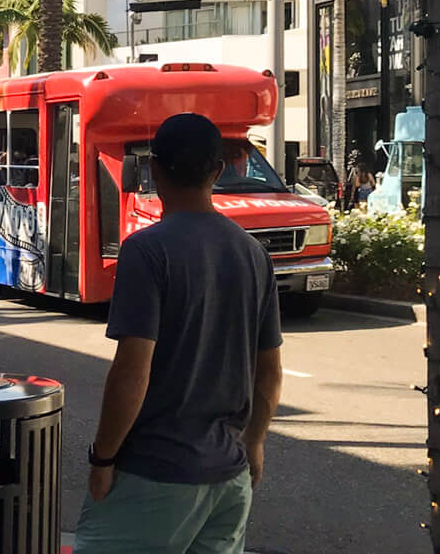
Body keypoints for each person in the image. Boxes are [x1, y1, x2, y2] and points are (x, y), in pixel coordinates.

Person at [75, 114, 282, 554]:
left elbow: (133, 369)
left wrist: (104, 458)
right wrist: (255, 444)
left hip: (154, 475)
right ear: (219, 171)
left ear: (154, 168)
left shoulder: (146, 251)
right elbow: (269, 371)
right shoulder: (253, 255)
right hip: (228, 478)